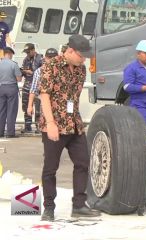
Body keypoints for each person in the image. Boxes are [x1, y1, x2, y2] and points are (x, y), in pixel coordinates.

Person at [39, 34, 100, 221]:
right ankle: (49, 208)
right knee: (50, 168)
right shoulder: (51, 66)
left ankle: (79, 205)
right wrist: (50, 124)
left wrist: (72, 119)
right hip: (54, 125)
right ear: (70, 51)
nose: (84, 60)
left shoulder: (81, 70)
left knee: (83, 163)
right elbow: (44, 95)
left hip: (74, 124)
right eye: (81, 56)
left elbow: (72, 97)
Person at [27, 48, 58, 133]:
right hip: (42, 100)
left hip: (58, 103)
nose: (51, 59)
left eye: (54, 57)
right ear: (45, 58)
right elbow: (33, 89)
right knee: (40, 117)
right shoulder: (39, 71)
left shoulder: (63, 70)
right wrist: (30, 106)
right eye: (49, 57)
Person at [0, 47, 22, 137]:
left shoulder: (0, 64)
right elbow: (19, 79)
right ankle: (10, 133)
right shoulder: (13, 64)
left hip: (1, 87)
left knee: (1, 111)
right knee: (11, 111)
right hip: (11, 88)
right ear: (9, 54)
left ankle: (0, 132)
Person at [21, 43, 43, 133]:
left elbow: (43, 72)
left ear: (33, 50)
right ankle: (27, 126)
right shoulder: (26, 59)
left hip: (37, 87)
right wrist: (24, 71)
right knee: (26, 107)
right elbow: (22, 70)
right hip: (27, 85)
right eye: (26, 52)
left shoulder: (40, 59)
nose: (27, 54)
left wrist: (32, 72)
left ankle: (39, 126)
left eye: (28, 52)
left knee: (38, 108)